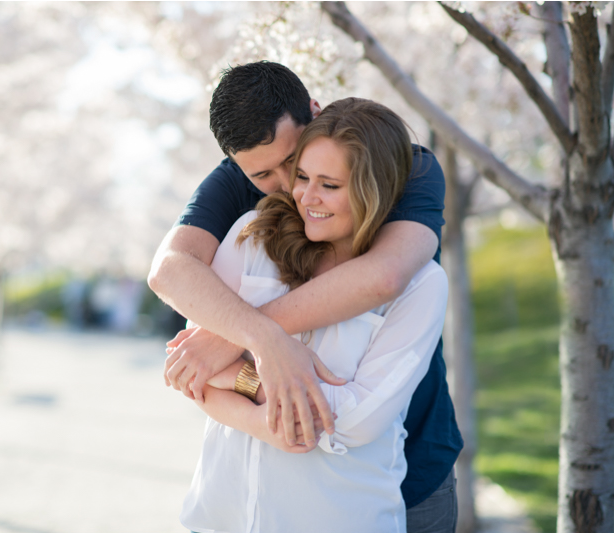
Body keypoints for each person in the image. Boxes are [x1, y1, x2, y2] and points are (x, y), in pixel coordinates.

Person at [147, 62, 462, 531]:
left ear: (313, 114)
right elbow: (169, 271)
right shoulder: (248, 207)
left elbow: (387, 275)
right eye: (262, 175)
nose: (287, 186)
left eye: (293, 160)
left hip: (411, 467)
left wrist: (233, 344)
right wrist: (262, 341)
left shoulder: (405, 167)